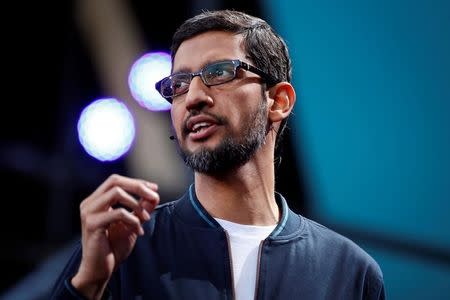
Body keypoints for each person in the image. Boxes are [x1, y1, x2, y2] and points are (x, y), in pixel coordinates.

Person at [50, 9, 385, 300]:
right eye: (178, 84)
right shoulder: (125, 250)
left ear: (278, 101)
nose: (192, 97)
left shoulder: (349, 272)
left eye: (220, 72)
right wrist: (87, 287)